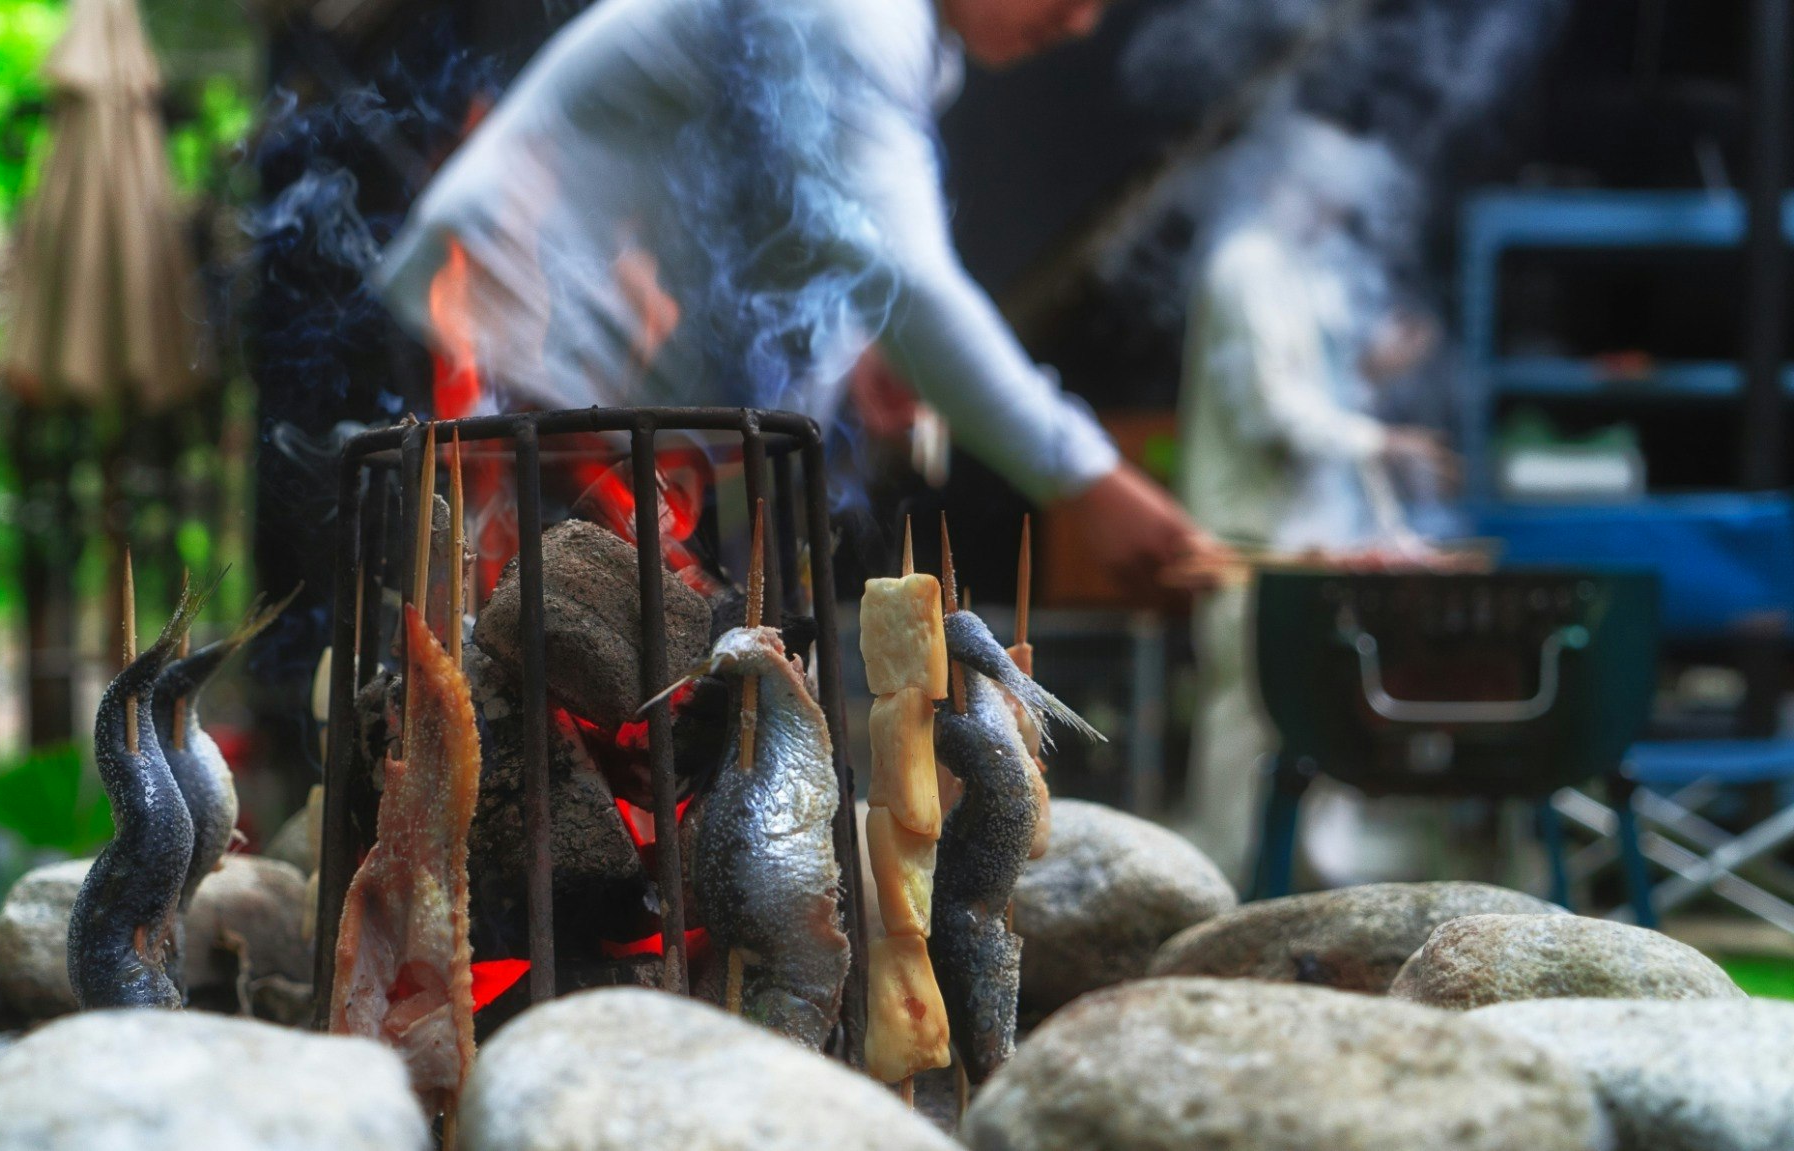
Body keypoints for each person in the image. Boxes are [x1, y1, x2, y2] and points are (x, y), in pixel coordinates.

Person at [374, 0, 1223, 599]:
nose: (1083, 20)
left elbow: (801, 224)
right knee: (555, 677)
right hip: (496, 350)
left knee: (622, 680)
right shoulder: (855, 13)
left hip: (566, 386)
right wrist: (1083, 476)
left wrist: (856, 352)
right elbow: (908, 278)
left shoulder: (907, 39)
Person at [1176, 117, 1459, 887]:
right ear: (1294, 188)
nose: (1339, 221)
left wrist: (1369, 374)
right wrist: (1383, 441)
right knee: (1245, 718)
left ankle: (1309, 886)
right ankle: (1220, 888)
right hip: (1251, 538)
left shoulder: (1297, 272)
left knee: (1314, 714)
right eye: (1331, 202)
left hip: (1309, 539)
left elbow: (1318, 399)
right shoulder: (1245, 266)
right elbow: (1273, 411)